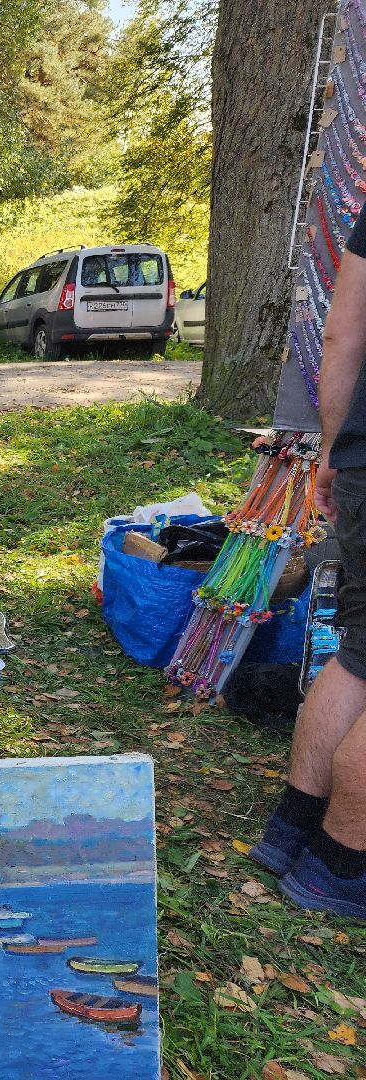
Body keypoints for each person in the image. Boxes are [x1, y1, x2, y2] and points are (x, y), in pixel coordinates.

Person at [249, 223, 366, 920]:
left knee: (357, 651)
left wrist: (333, 449)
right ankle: (341, 865)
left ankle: (293, 829)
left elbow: (341, 338)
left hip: (361, 458)